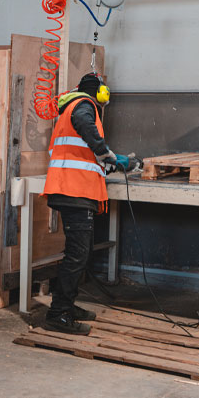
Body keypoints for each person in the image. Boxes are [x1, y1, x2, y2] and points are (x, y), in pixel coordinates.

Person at [41, 72, 138, 335]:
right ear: (100, 92)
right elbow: (85, 127)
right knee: (77, 255)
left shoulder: (72, 105)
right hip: (73, 191)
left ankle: (66, 306)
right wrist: (105, 152)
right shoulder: (84, 105)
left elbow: (80, 151)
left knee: (79, 253)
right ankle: (58, 314)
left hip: (74, 189)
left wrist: (110, 161)